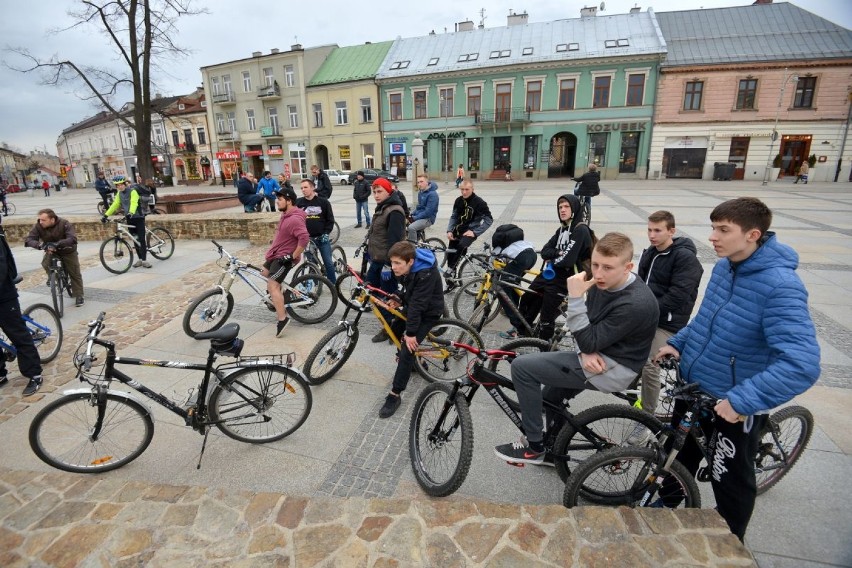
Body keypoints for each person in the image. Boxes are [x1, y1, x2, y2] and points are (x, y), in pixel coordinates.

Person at [655, 197, 820, 541]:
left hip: (732, 403)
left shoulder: (780, 286)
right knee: (678, 452)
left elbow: (802, 364)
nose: (713, 236)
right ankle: (667, 505)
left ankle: (731, 545)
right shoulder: (725, 267)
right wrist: (678, 343)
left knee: (729, 481)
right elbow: (706, 320)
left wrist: (742, 401)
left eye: (723, 229)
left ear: (752, 234)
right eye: (713, 227)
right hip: (696, 386)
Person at [495, 232, 658, 465]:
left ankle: (534, 446)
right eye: (595, 264)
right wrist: (585, 349)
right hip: (599, 353)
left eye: (608, 267)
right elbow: (584, 328)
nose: (599, 273)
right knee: (551, 394)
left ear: (628, 267)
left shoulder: (635, 303)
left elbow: (586, 334)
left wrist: (575, 299)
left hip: (614, 368)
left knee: (522, 368)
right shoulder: (602, 282)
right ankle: (553, 450)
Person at [630, 211, 703, 440]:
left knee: (651, 364)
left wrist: (645, 311)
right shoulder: (650, 253)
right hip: (647, 316)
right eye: (650, 230)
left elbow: (678, 296)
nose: (652, 235)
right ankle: (635, 389)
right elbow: (639, 284)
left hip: (669, 324)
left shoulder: (684, 258)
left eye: (658, 230)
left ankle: (647, 421)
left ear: (671, 231)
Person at [377, 241, 445, 418]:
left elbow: (418, 305)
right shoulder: (408, 270)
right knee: (395, 330)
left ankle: (395, 394)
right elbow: (409, 292)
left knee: (407, 350)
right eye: (392, 262)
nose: (393, 267)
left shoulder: (425, 274)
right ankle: (418, 363)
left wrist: (411, 334)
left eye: (398, 263)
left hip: (429, 312)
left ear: (411, 261)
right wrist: (398, 298)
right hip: (415, 306)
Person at [515, 194, 592, 341]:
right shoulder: (561, 230)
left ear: (574, 208)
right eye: (560, 207)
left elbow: (568, 261)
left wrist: (555, 258)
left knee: (546, 317)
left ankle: (544, 347)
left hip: (567, 279)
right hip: (551, 274)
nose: (562, 210)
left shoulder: (580, 230)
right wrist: (558, 253)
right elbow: (545, 251)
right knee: (527, 298)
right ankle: (524, 332)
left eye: (566, 207)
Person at [0, 219, 44, 396]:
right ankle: (1, 373)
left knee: (18, 335)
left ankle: (34, 374)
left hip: (3, 296)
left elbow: (1, 269)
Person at [263, 186, 309, 337]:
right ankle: (280, 294)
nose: (277, 202)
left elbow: (304, 238)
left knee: (272, 285)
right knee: (264, 273)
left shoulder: (295, 218)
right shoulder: (285, 214)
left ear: (289, 201)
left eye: (280, 199)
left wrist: (292, 256)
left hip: (285, 258)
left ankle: (282, 319)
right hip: (275, 254)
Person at [367, 177, 408, 343]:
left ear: (388, 191)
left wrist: (388, 265)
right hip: (376, 260)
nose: (376, 195)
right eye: (374, 192)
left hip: (387, 264)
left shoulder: (395, 211)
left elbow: (395, 242)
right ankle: (390, 326)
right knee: (372, 294)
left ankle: (391, 329)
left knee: (387, 298)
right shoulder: (382, 207)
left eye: (379, 191)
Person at [24, 208, 86, 307]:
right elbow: (29, 240)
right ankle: (54, 278)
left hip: (67, 250)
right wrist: (41, 245)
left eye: (43, 220)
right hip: (51, 250)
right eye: (40, 220)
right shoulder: (38, 226)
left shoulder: (64, 223)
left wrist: (57, 244)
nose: (41, 222)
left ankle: (79, 295)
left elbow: (72, 238)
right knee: (45, 263)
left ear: (52, 219)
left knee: (74, 272)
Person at [444, 180, 493, 291]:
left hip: (469, 232)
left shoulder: (480, 203)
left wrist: (475, 232)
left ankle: (451, 269)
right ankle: (451, 282)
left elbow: (489, 220)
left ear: (472, 189)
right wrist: (449, 230)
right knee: (450, 255)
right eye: (462, 189)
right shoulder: (458, 200)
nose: (464, 192)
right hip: (457, 231)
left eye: (467, 189)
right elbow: (454, 217)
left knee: (461, 247)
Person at [492, 229, 537, 339]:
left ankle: (517, 326)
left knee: (502, 289)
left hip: (521, 259)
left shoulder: (498, 248)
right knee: (513, 284)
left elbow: (493, 261)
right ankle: (516, 310)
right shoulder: (514, 242)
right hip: (532, 255)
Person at [295, 178, 337, 285]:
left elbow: (330, 220)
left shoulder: (323, 202)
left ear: (313, 188)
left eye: (305, 187)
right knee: (311, 263)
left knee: (328, 263)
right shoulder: (298, 203)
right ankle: (316, 285)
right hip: (308, 239)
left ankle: (333, 284)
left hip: (322, 237)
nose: (303, 190)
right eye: (301, 188)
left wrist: (326, 233)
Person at [101, 180, 151, 268]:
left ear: (125, 185)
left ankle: (145, 260)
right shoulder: (119, 194)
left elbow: (134, 203)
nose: (120, 187)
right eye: (118, 186)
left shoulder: (133, 191)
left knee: (141, 238)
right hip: (130, 218)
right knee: (135, 238)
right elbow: (115, 205)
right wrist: (106, 215)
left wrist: (131, 212)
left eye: (121, 185)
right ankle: (140, 259)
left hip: (138, 217)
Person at [407, 174, 439, 241]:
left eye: (421, 182)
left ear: (427, 182)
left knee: (411, 228)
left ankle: (412, 248)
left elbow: (428, 212)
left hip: (428, 218)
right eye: (418, 182)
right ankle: (416, 240)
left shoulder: (432, 195)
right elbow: (419, 207)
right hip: (421, 216)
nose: (419, 184)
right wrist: (411, 214)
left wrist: (415, 218)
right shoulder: (421, 192)